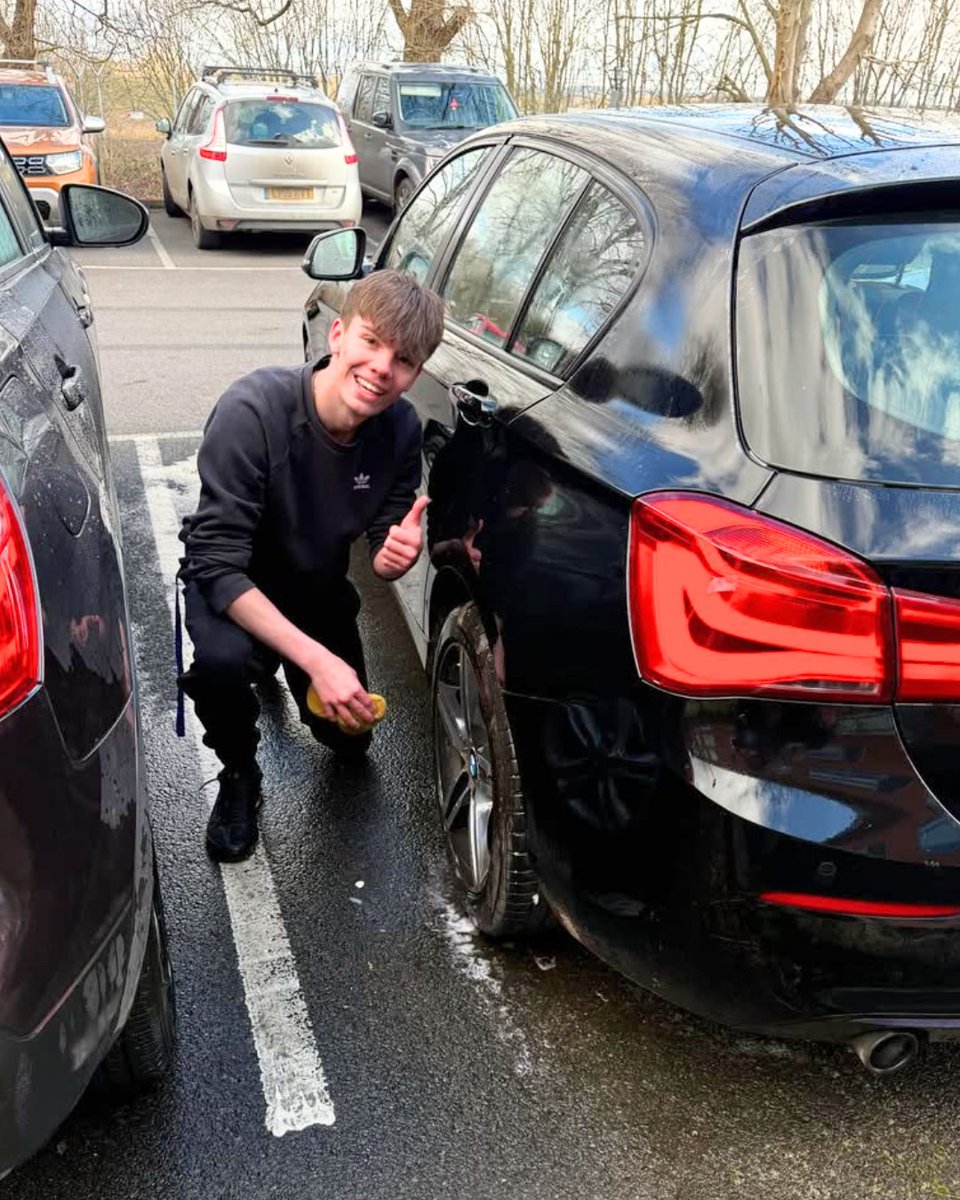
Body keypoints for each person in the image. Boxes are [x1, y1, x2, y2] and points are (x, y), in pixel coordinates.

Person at [178, 269, 445, 862]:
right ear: (338, 335)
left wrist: (392, 558)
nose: (381, 367)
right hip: (234, 584)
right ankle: (240, 772)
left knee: (350, 741)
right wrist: (317, 659)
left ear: (416, 374)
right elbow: (218, 566)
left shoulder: (400, 430)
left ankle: (280, 661)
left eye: (402, 359)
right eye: (371, 342)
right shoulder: (252, 411)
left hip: (313, 585)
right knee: (223, 666)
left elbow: (382, 544)